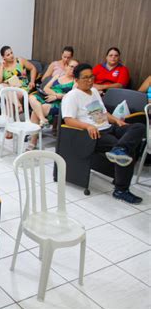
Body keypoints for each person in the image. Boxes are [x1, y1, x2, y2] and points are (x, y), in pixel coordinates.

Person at [62, 63, 145, 204]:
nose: (90, 80)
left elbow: (101, 112)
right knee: (127, 151)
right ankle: (121, 190)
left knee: (138, 127)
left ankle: (120, 149)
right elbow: (68, 120)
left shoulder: (93, 91)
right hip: (93, 135)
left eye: (91, 77)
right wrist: (87, 126)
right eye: (85, 78)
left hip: (107, 127)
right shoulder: (72, 96)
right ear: (76, 79)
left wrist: (116, 120)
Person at [27, 59, 78, 150]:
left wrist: (57, 97)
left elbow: (72, 96)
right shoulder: (58, 76)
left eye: (75, 68)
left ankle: (33, 142)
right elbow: (46, 88)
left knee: (35, 112)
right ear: (66, 66)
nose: (73, 69)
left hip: (60, 102)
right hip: (48, 96)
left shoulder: (75, 82)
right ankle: (42, 119)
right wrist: (54, 94)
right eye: (71, 66)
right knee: (31, 97)